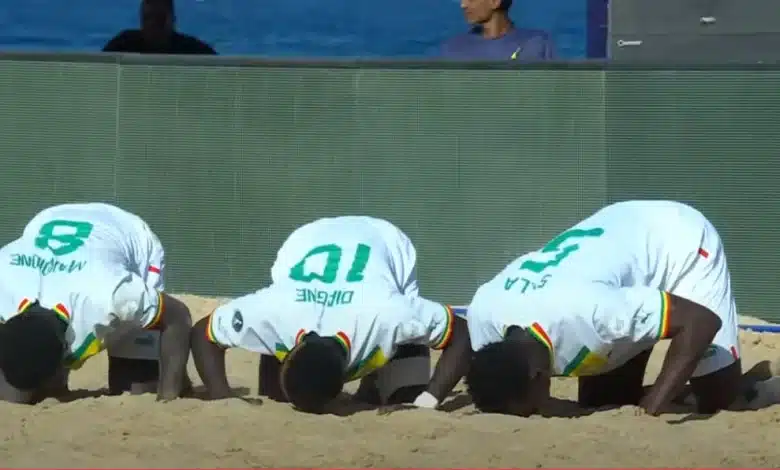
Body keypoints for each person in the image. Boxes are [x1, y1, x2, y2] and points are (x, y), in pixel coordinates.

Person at [465, 200, 760, 417]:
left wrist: (648, 412)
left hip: (678, 239)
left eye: (529, 411)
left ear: (538, 378)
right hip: (620, 247)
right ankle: (675, 387)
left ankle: (760, 385)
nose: (534, 415)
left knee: (718, 400)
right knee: (603, 403)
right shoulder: (484, 315)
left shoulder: (591, 313)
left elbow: (701, 321)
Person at [191, 216, 470, 413]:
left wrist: (428, 400)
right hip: (307, 240)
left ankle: (373, 384)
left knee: (404, 394)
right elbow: (204, 333)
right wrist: (221, 397)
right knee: (275, 397)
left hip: (385, 239)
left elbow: (461, 332)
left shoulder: (389, 313)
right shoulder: (275, 309)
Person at [0, 202, 192, 404]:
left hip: (128, 234)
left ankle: (173, 375)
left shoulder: (113, 295)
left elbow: (178, 315)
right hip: (47, 221)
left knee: (136, 387)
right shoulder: (5, 277)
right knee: (19, 385)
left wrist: (168, 395)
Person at [439, 0, 555, 60]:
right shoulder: (453, 48)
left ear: (495, 2)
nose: (463, 5)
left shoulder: (536, 43)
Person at [102, 0, 216, 55]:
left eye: (159, 19)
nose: (153, 25)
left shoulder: (192, 51)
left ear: (173, 20)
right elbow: (97, 67)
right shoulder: (123, 44)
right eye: (147, 19)